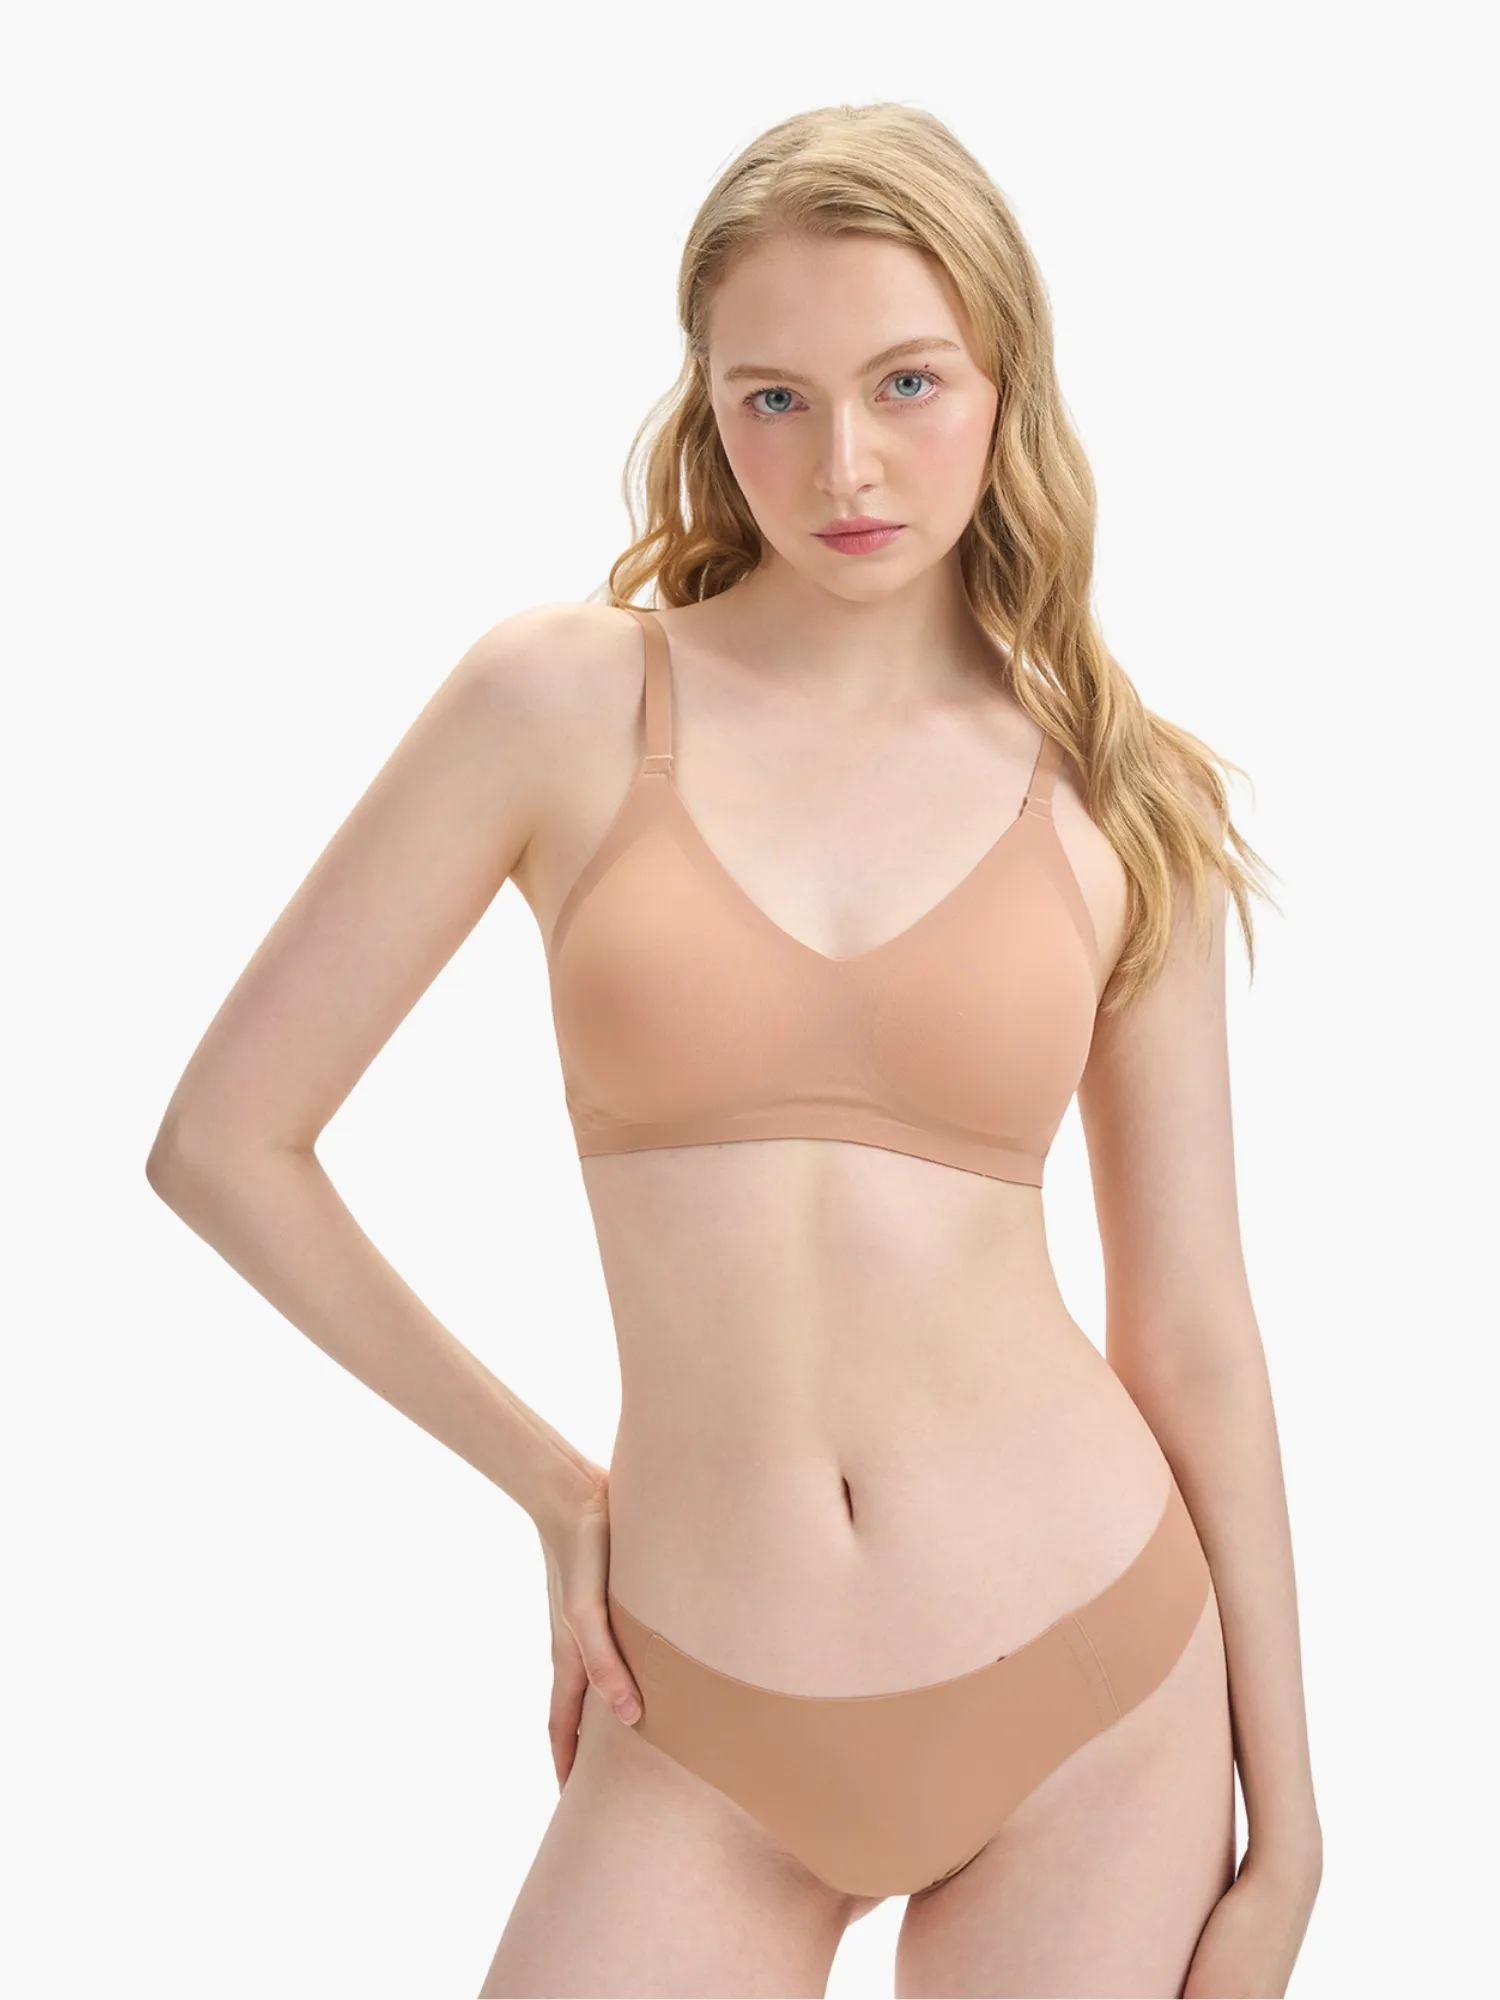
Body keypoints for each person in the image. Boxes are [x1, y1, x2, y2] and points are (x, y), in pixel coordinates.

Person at [147, 101, 1323, 2000]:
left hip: (1099, 1694)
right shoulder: (563, 701)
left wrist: (1295, 1828)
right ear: (709, 409)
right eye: (774, 399)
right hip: (690, 1707)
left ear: (1005, 382)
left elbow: (1191, 1332)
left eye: (907, 383)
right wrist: (556, 1488)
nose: (843, 463)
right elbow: (224, 1143)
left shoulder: (1123, 794)